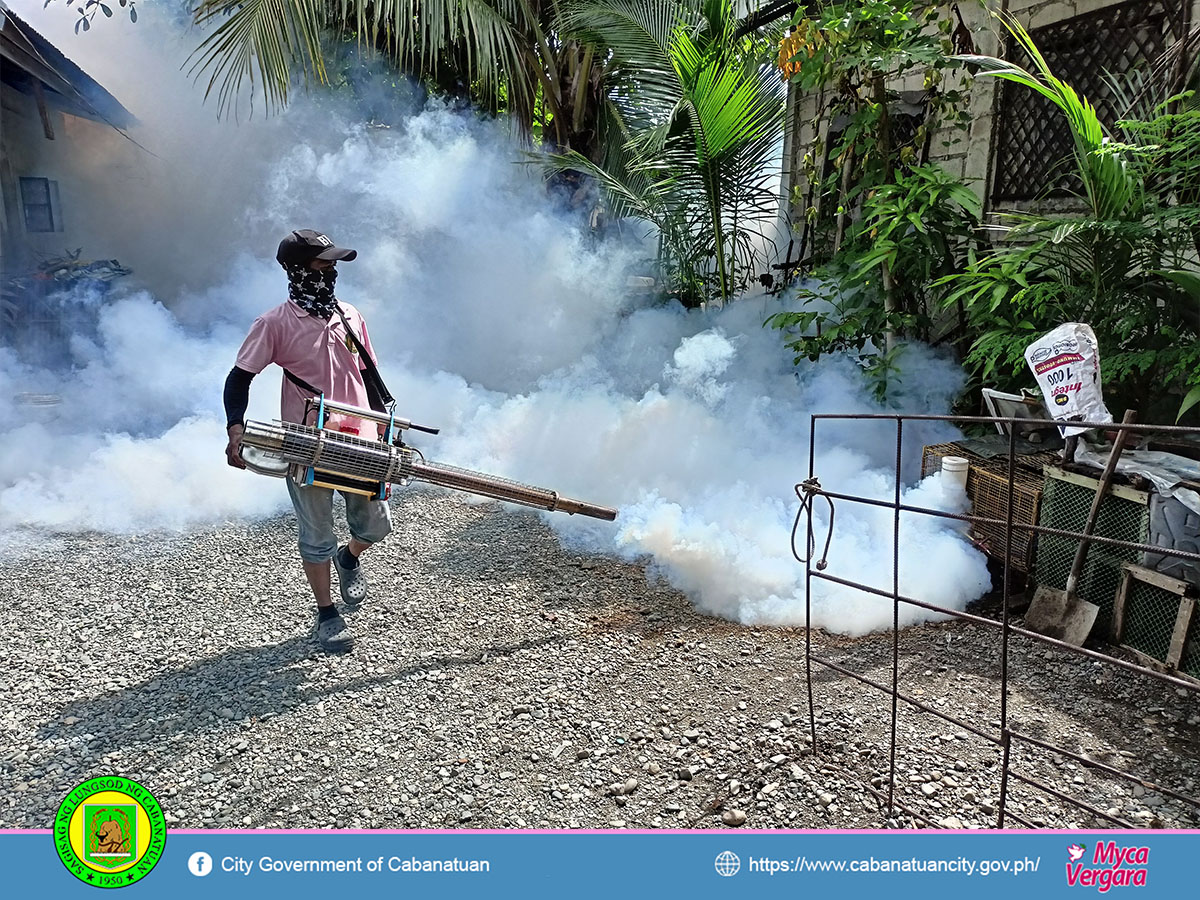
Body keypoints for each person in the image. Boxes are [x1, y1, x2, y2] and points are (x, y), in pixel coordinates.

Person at [223, 229, 392, 652]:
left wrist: (384, 427)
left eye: (333, 264)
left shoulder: (350, 315)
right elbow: (239, 377)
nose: (331, 271)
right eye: (322, 263)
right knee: (316, 533)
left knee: (376, 525)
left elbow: (367, 374)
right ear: (297, 269)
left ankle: (349, 557)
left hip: (362, 439)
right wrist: (235, 429)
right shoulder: (274, 323)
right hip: (305, 442)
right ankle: (326, 614)